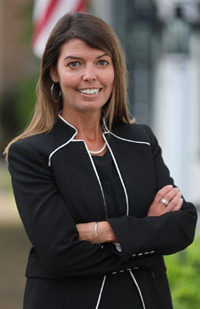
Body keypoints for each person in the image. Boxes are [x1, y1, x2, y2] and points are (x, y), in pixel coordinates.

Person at [4, 12, 197, 309]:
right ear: (54, 72)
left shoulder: (140, 140)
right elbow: (60, 254)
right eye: (74, 64)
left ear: (115, 70)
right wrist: (147, 234)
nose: (89, 75)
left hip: (146, 300)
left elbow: (182, 225)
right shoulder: (31, 153)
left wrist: (103, 231)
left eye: (101, 62)